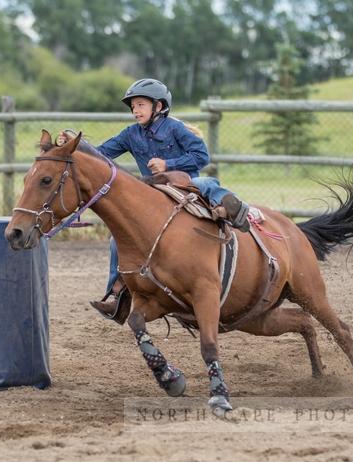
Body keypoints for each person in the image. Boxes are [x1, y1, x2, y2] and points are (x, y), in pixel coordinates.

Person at [58, 78, 249, 319]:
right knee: (117, 241)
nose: (135, 111)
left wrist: (169, 164)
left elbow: (202, 156)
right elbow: (101, 153)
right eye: (133, 107)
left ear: (158, 107)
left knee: (204, 183)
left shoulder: (175, 128)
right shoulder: (130, 134)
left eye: (140, 105)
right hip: (152, 194)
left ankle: (235, 208)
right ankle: (118, 296)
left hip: (183, 185)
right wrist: (73, 146)